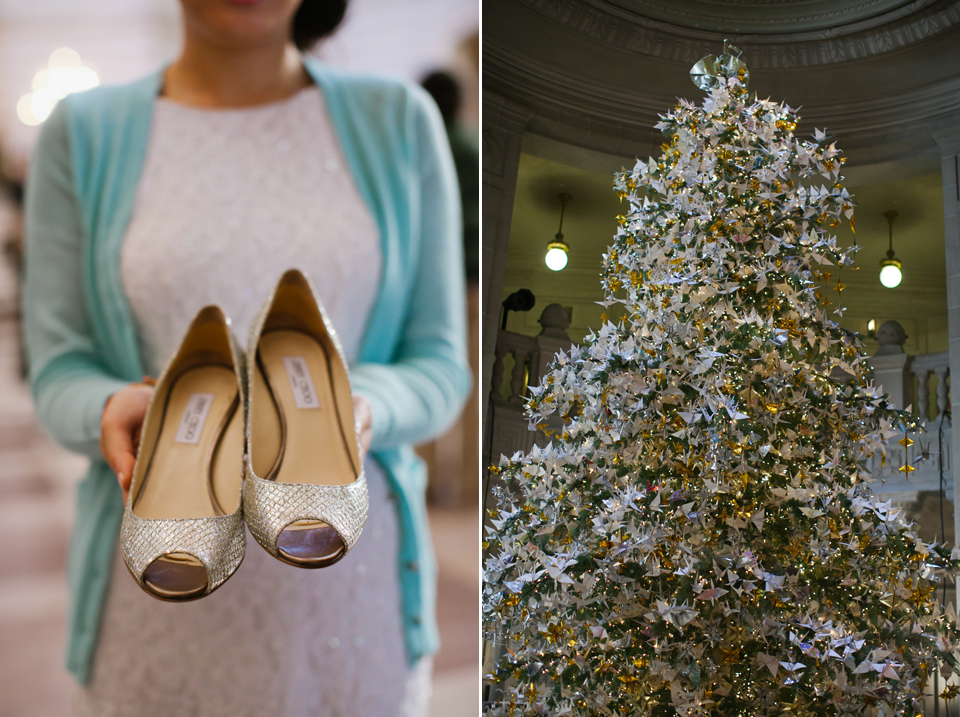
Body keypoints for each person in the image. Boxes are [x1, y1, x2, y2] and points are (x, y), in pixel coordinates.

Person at [22, 0, 470, 714]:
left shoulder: (399, 121)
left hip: (352, 614)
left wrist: (365, 405)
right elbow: (58, 364)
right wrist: (109, 405)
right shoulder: (83, 133)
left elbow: (441, 361)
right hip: (153, 613)